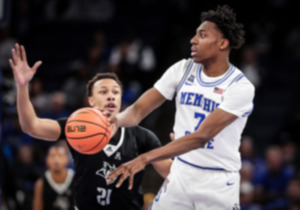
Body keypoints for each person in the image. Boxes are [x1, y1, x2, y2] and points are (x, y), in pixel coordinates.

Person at [106, 5, 255, 210]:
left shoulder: (240, 87)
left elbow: (201, 137)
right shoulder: (182, 69)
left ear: (222, 43)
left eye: (202, 35)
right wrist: (114, 121)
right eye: (194, 34)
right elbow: (138, 110)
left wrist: (145, 158)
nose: (193, 40)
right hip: (181, 174)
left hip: (217, 181)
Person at [8, 44, 172, 210]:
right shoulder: (75, 127)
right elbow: (31, 126)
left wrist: (186, 152)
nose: (111, 96)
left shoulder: (141, 136)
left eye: (116, 92)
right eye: (103, 92)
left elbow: (170, 173)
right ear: (91, 100)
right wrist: (22, 87)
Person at [33, 144, 75, 210]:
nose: (56, 160)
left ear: (67, 159)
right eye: (52, 156)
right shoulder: (40, 183)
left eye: (60, 156)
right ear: (47, 160)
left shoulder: (76, 180)